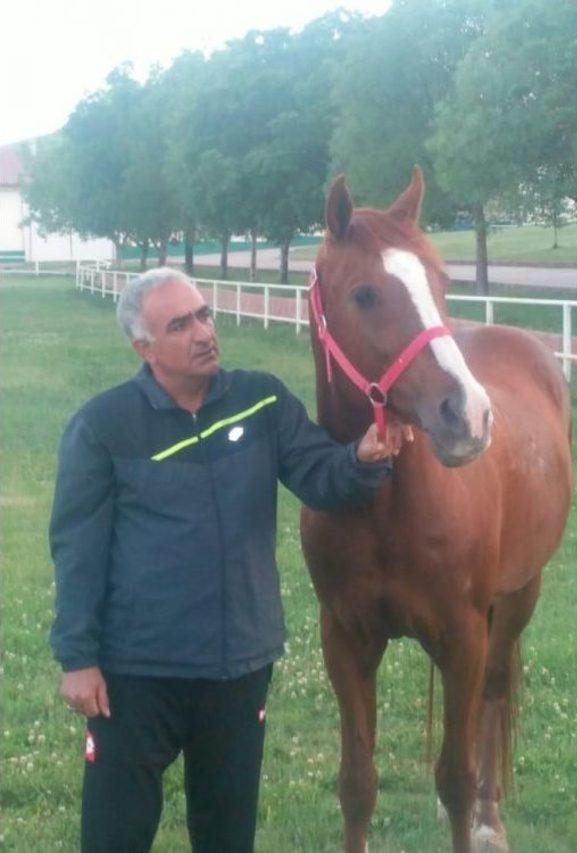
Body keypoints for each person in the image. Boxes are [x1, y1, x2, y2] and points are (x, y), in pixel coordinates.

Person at [50, 266, 412, 852]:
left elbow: (321, 476)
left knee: (227, 834)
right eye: (179, 324)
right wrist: (77, 657)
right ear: (144, 347)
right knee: (115, 834)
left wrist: (364, 459)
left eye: (204, 314)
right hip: (136, 673)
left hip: (237, 666)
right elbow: (77, 549)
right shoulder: (103, 427)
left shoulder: (260, 400)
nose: (202, 332)